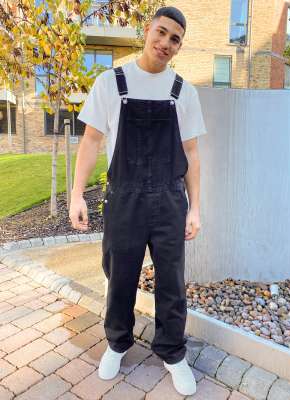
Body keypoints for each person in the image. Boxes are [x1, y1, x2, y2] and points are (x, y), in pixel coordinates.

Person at [70, 6, 207, 396]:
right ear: (147, 30)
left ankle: (173, 352)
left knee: (171, 284)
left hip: (169, 200)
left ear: (179, 48)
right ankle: (117, 343)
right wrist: (77, 194)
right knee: (120, 277)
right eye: (161, 33)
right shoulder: (111, 82)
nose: (165, 43)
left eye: (175, 39)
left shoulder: (184, 91)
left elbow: (192, 154)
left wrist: (195, 207)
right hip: (124, 200)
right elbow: (92, 141)